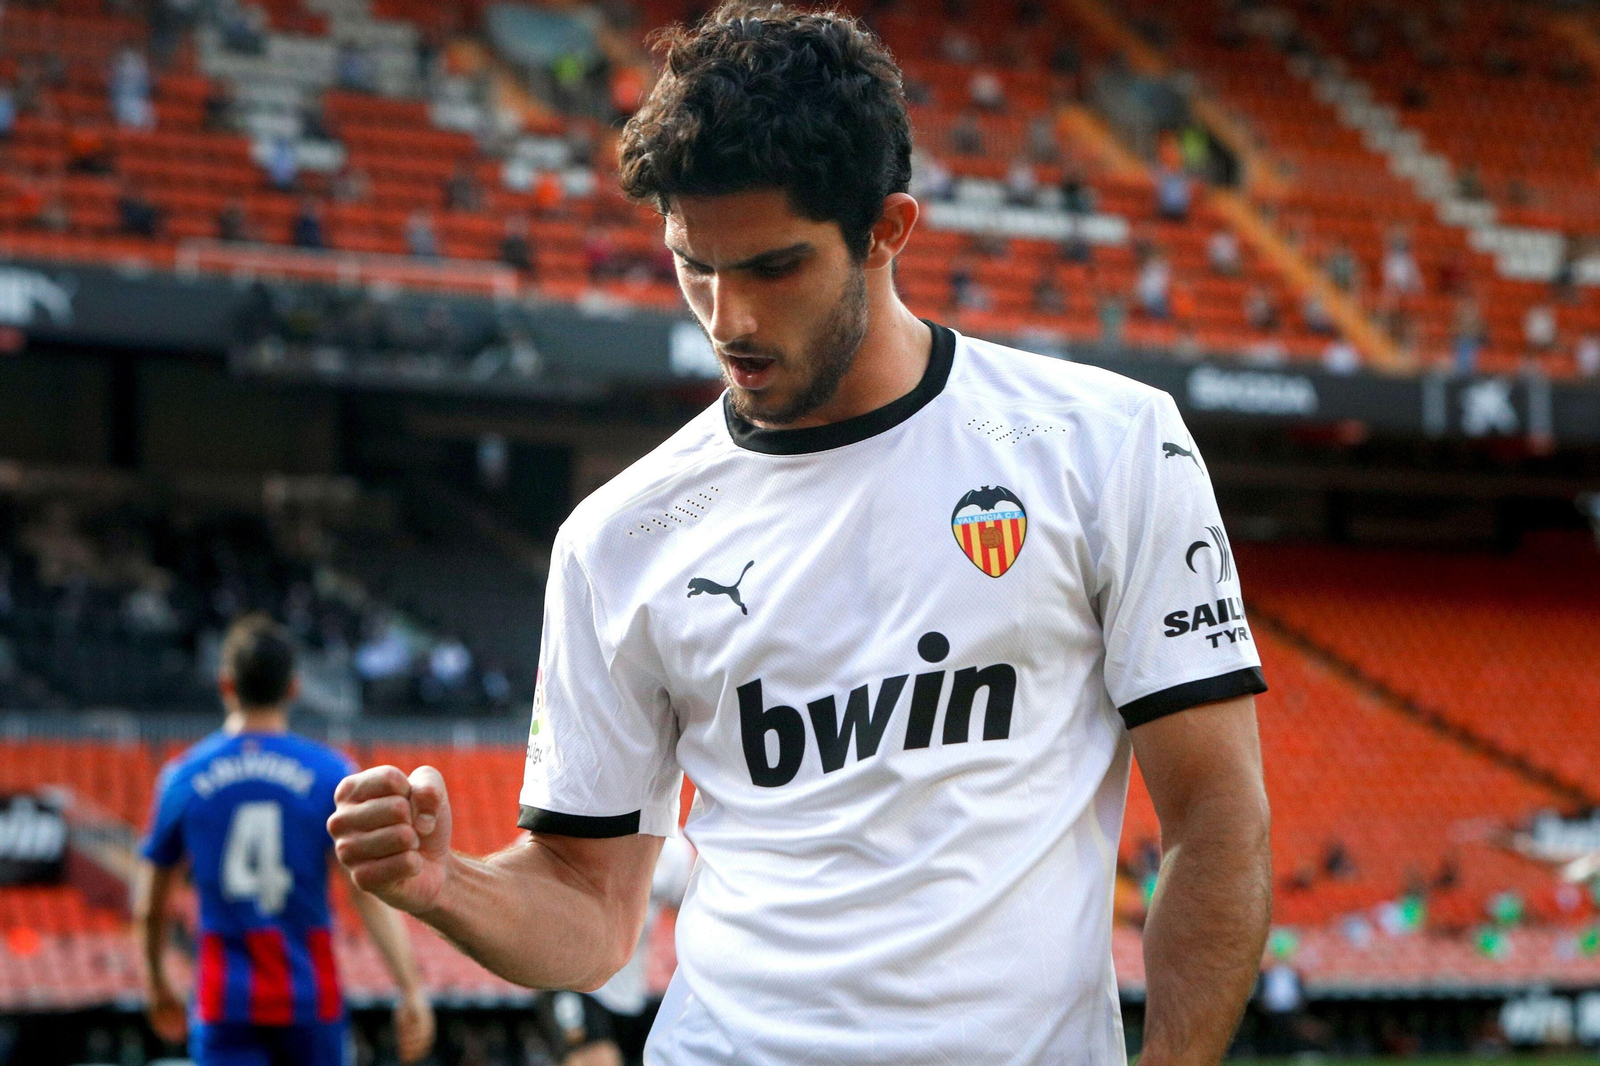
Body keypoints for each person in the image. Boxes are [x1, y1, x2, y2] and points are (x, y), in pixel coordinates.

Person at [329, 7, 1271, 1065]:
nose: (726, 318)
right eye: (694, 265)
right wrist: (447, 884)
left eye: (773, 268)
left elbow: (1216, 815)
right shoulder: (618, 535)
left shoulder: (1103, 446)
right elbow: (590, 915)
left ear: (886, 230)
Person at [135, 615, 435, 1066]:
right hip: (308, 995)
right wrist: (410, 988)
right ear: (293, 688)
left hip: (224, 1000)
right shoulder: (330, 775)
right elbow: (365, 894)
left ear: (225, 685)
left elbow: (150, 906)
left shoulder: (183, 778)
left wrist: (157, 984)